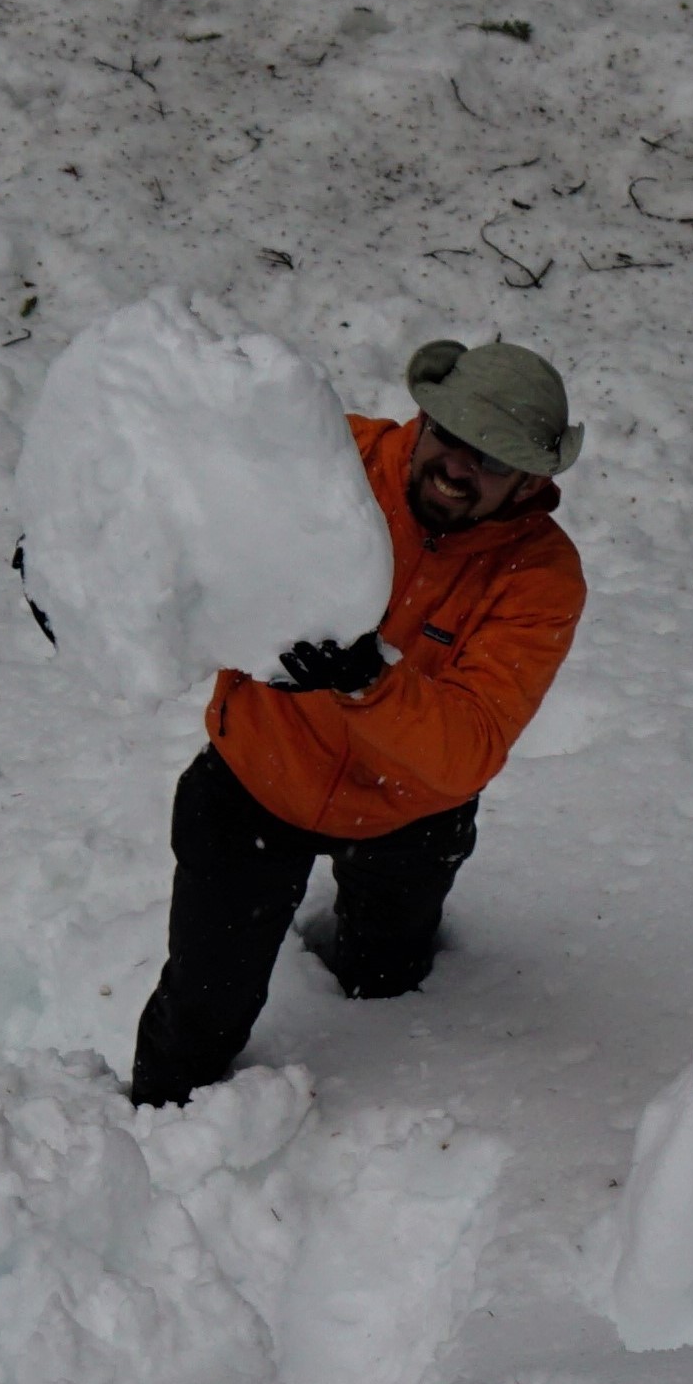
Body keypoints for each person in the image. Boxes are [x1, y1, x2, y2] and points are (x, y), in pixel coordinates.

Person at [124, 338, 588, 1109]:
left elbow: (470, 744)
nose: (456, 466)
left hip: (408, 815)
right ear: (425, 415)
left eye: (491, 461)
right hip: (255, 785)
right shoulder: (328, 460)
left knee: (387, 978)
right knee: (202, 1007)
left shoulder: (539, 579)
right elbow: (169, 501)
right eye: (450, 436)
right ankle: (155, 1134)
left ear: (532, 478)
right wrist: (76, 561)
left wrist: (373, 682)